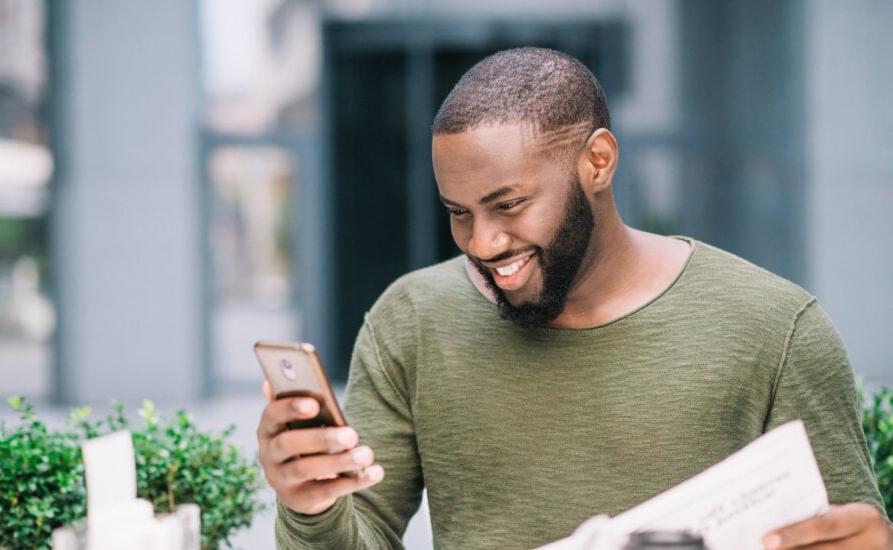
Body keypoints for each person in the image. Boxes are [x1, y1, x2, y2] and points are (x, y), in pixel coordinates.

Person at [258, 47, 891, 549]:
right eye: (458, 212)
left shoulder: (775, 329)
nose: (482, 241)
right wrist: (311, 506)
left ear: (598, 162)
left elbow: (840, 531)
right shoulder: (412, 321)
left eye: (508, 205)